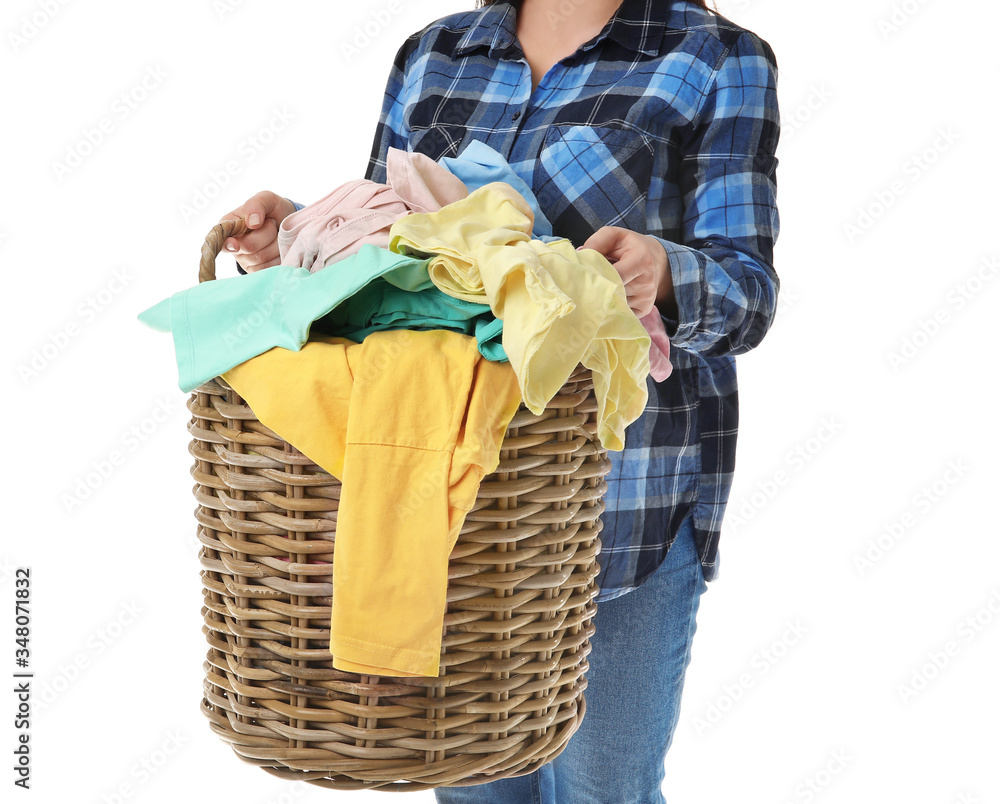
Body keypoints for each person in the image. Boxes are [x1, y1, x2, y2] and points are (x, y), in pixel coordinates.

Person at [220, 1, 780, 801]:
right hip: (454, 511)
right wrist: (305, 234)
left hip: (622, 510)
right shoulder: (437, 53)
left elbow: (748, 296)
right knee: (472, 783)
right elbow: (398, 255)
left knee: (602, 793)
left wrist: (664, 268)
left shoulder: (715, 57)